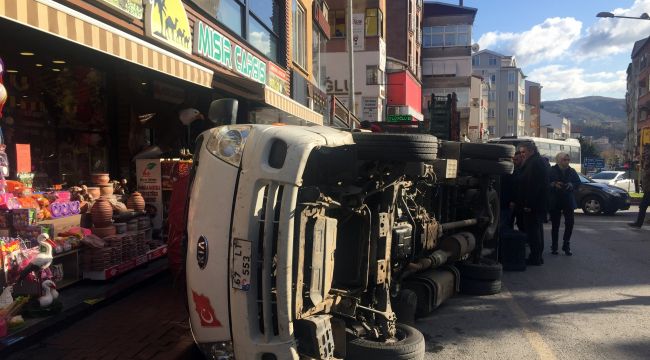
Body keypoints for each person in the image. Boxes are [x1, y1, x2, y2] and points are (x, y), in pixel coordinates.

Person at [515, 141, 549, 266]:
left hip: (533, 205)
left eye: (524, 152)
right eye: (521, 152)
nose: (522, 154)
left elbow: (533, 186)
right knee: (536, 231)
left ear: (531, 151)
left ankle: (535, 257)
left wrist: (528, 204)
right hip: (536, 204)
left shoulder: (534, 163)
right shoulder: (536, 161)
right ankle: (537, 256)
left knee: (534, 232)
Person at [548, 152, 580, 255]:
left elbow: (578, 183)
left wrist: (572, 185)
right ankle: (554, 246)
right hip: (555, 200)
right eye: (564, 160)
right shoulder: (552, 170)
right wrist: (554, 184)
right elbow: (545, 183)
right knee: (555, 225)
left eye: (568, 160)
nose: (566, 162)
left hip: (568, 200)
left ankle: (566, 244)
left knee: (570, 223)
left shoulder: (572, 171)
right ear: (559, 160)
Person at [629, 152, 650, 228]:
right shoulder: (646, 168)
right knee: (642, 207)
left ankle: (638, 223)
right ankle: (638, 223)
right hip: (647, 191)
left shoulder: (647, 169)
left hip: (648, 191)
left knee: (643, 206)